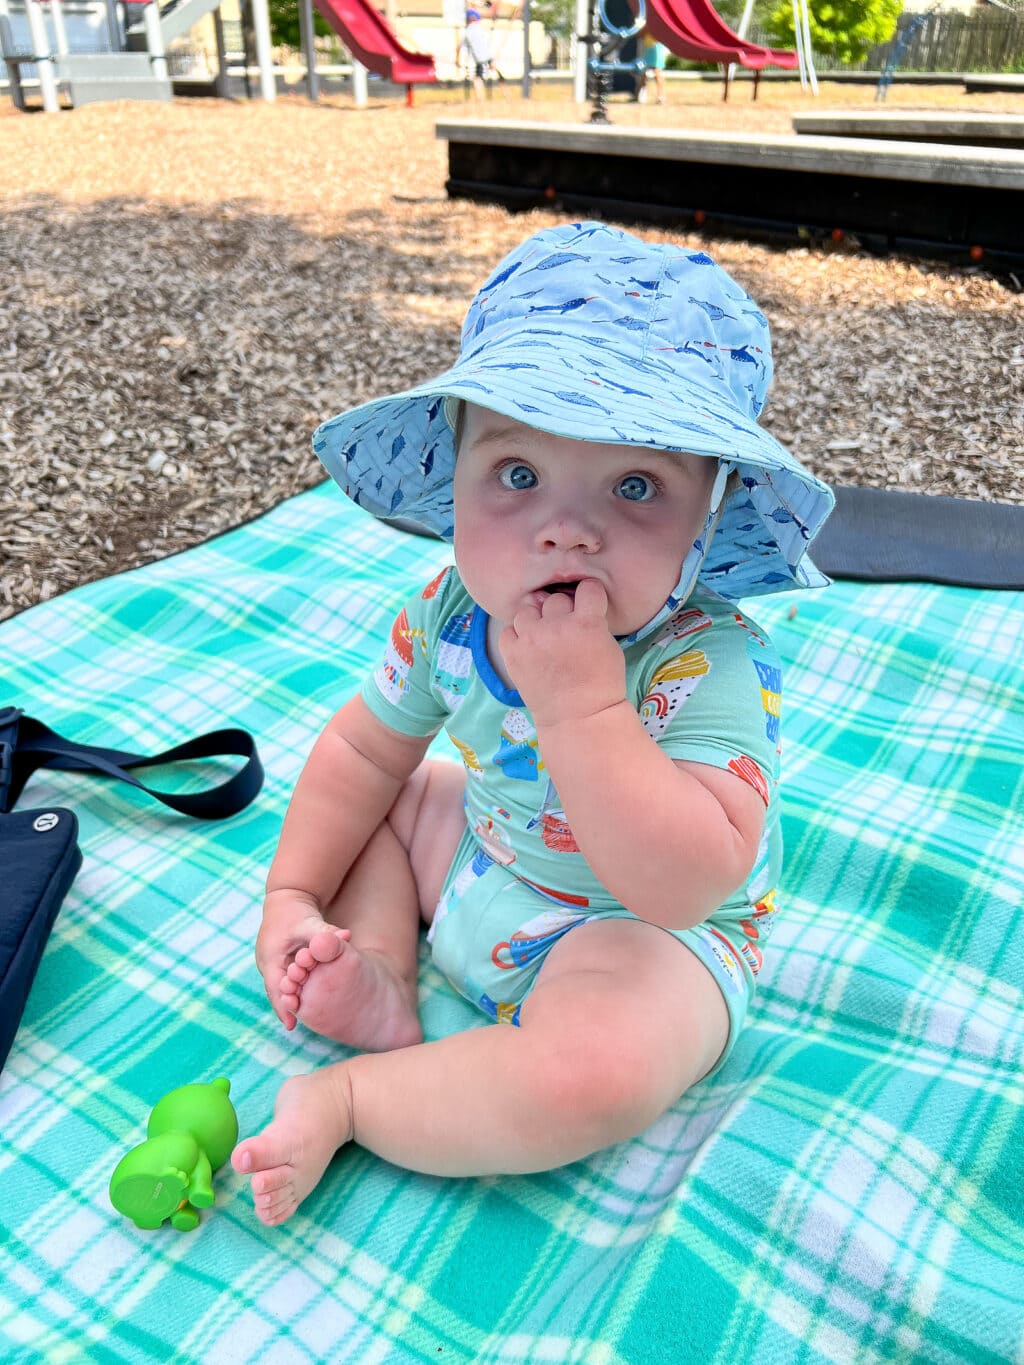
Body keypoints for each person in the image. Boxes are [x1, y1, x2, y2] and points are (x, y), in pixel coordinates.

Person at [231, 222, 834, 1225]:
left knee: (596, 1074)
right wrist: (292, 895)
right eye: (517, 476)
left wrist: (581, 703)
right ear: (455, 484)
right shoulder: (448, 613)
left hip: (634, 935)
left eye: (635, 486)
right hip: (484, 851)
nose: (564, 528)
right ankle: (380, 966)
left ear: (703, 528)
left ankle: (349, 1099)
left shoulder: (704, 658)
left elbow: (684, 882)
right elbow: (358, 751)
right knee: (390, 792)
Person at [461, 8, 493, 99]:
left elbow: (462, 47)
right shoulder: (482, 30)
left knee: (477, 79)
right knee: (482, 79)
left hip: (477, 60)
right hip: (487, 58)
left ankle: (480, 99)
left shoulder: (468, 31)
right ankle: (482, 99)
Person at [639, 30, 668, 103]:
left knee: (658, 73)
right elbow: (640, 35)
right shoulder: (645, 23)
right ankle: (642, 95)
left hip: (657, 48)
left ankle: (660, 96)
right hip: (648, 48)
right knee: (643, 73)